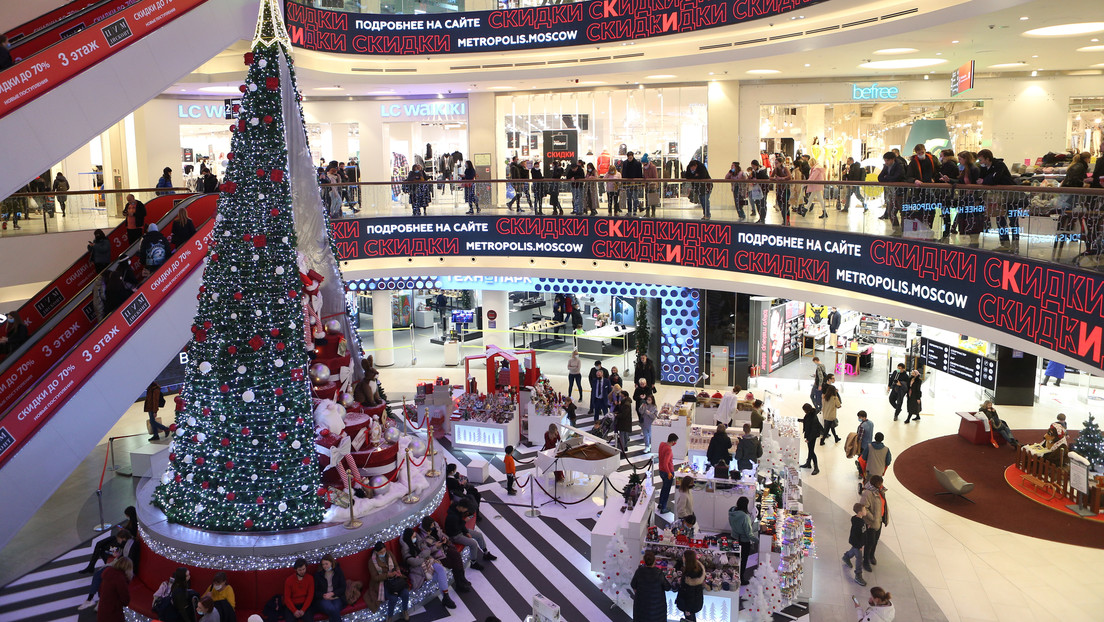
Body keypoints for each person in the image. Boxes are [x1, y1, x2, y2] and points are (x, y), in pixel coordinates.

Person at [401, 527, 454, 613]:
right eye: (413, 537)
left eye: (415, 536)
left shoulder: (418, 542)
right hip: (419, 568)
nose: (415, 538)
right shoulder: (405, 549)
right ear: (408, 538)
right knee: (440, 575)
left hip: (429, 561)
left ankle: (446, 596)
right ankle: (446, 597)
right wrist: (423, 555)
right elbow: (413, 562)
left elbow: (428, 550)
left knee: (441, 570)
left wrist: (421, 555)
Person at [977, 148, 1019, 251]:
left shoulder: (999, 165)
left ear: (987, 159)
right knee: (1000, 220)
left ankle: (1015, 244)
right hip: (998, 198)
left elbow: (994, 179)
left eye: (981, 160)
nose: (980, 162)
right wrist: (986, 180)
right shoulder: (985, 168)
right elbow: (982, 179)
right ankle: (1004, 243)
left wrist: (985, 180)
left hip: (1010, 197)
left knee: (1013, 221)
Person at [419, 515, 471, 594]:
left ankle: (461, 579)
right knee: (454, 563)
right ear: (427, 526)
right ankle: (460, 582)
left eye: (433, 524)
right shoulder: (423, 537)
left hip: (445, 547)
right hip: (437, 554)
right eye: (431, 525)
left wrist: (445, 539)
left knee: (457, 555)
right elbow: (427, 552)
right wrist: (436, 546)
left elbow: (442, 534)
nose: (433, 525)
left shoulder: (435, 526)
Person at [444, 498, 496, 571]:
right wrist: (464, 522)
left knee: (479, 535)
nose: (466, 511)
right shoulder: (452, 517)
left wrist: (466, 532)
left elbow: (460, 526)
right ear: (461, 507)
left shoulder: (457, 509)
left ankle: (486, 553)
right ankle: (473, 563)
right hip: (455, 535)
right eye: (466, 509)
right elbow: (456, 528)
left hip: (460, 530)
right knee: (473, 544)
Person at [367, 542, 409, 619]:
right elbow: (375, 578)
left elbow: (396, 565)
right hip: (383, 582)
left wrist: (398, 571)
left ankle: (405, 610)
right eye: (381, 552)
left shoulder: (389, 553)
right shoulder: (372, 561)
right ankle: (389, 616)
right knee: (393, 598)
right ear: (376, 552)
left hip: (395, 578)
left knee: (405, 593)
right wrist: (387, 575)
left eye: (384, 551)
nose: (383, 553)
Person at [860, 476, 888, 573]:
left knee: (875, 540)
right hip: (871, 523)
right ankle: (865, 560)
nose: (882, 485)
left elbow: (883, 504)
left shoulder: (881, 492)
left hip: (879, 521)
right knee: (869, 542)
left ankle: (872, 555)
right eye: (880, 484)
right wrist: (873, 518)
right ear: (876, 484)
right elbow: (864, 508)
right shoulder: (868, 493)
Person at [630, 550, 667, 622]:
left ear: (644, 561)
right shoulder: (659, 573)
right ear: (654, 561)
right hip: (657, 610)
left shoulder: (639, 571)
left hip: (641, 608)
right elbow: (667, 587)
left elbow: (633, 584)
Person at [727, 496, 754, 585]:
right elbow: (748, 533)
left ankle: (733, 576)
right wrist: (757, 541)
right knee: (743, 560)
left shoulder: (732, 512)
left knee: (735, 559)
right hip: (743, 541)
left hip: (734, 538)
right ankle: (740, 578)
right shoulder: (745, 517)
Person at [96, 557, 133, 622]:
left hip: (102, 610)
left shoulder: (108, 572)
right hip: (113, 613)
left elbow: (100, 590)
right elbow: (125, 600)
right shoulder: (120, 579)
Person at [311, 554, 346, 622]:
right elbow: (315, 591)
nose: (325, 566)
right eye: (323, 564)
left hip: (336, 596)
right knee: (332, 609)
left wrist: (333, 593)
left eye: (326, 564)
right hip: (323, 598)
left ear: (331, 563)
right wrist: (324, 595)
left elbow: (343, 587)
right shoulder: (318, 575)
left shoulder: (338, 572)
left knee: (335, 609)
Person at [842, 503, 868, 587]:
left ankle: (846, 557)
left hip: (857, 544)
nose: (866, 511)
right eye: (864, 510)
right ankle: (858, 575)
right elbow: (857, 535)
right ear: (860, 512)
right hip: (857, 544)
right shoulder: (859, 523)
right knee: (859, 558)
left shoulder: (859, 520)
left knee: (853, 550)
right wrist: (860, 546)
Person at [675, 549, 705, 622]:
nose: (682, 558)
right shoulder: (698, 568)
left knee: (689, 619)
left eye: (683, 557)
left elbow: (690, 594)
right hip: (695, 602)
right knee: (691, 618)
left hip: (689, 605)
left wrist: (688, 609)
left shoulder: (690, 575)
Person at [877, 152, 905, 226]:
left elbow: (897, 177)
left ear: (893, 159)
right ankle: (896, 229)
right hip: (892, 192)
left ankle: (903, 230)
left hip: (900, 192)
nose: (886, 162)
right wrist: (888, 179)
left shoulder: (899, 166)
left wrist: (886, 178)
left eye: (887, 160)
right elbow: (880, 177)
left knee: (902, 213)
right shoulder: (886, 166)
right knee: (891, 212)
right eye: (885, 160)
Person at [657, 433, 678, 514]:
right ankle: (664, 507)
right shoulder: (669, 449)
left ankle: (660, 503)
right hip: (667, 472)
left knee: (663, 488)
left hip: (661, 470)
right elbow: (666, 463)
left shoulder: (662, 444)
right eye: (675, 442)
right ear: (673, 441)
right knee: (666, 490)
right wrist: (669, 473)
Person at [800, 403, 823, 475]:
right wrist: (799, 420)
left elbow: (814, 430)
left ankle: (816, 468)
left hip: (812, 436)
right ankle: (808, 463)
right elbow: (806, 421)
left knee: (812, 451)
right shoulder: (810, 414)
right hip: (809, 434)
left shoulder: (813, 417)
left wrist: (809, 439)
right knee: (810, 450)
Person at [615, 390, 633, 457]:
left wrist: (617, 415)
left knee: (622, 436)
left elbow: (624, 414)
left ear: (625, 396)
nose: (620, 397)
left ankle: (622, 449)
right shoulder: (625, 402)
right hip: (626, 422)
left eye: (621, 396)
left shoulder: (626, 404)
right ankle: (624, 447)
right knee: (625, 435)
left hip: (624, 422)